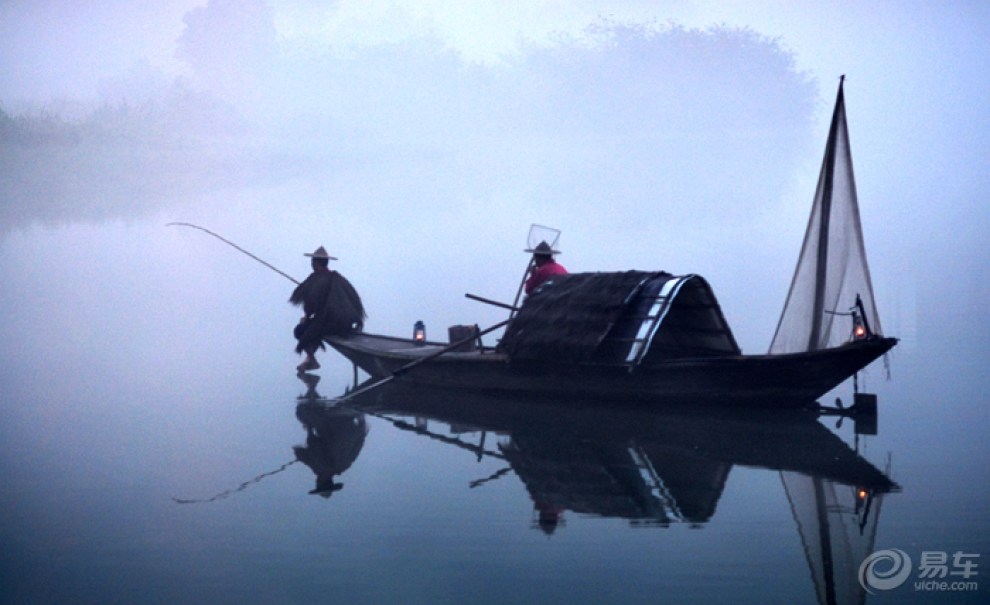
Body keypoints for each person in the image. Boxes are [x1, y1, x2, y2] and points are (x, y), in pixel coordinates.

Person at [290, 246, 366, 372]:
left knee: (300, 330)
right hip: (344, 325)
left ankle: (311, 359)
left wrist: (306, 318)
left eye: (312, 262)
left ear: (315, 263)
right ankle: (310, 360)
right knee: (315, 325)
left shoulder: (316, 279)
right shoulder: (338, 278)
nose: (311, 264)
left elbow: (310, 308)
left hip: (331, 325)